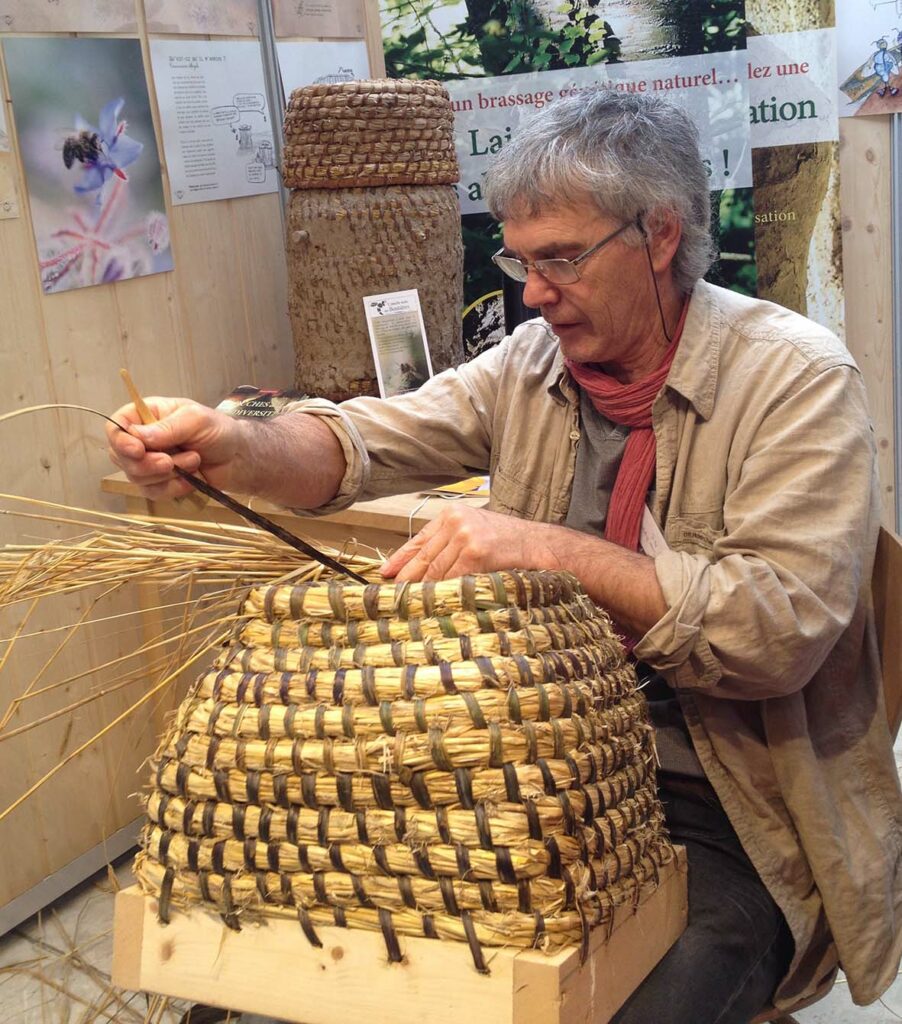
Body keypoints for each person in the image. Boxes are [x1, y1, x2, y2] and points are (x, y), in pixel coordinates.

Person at [108, 92, 902, 1022]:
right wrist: (233, 444)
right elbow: (363, 444)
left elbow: (776, 633)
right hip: (515, 767)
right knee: (260, 981)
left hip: (722, 802)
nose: (531, 291)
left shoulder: (795, 380)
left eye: (560, 258)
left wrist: (540, 549)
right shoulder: (532, 364)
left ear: (658, 236)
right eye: (518, 260)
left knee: (652, 995)